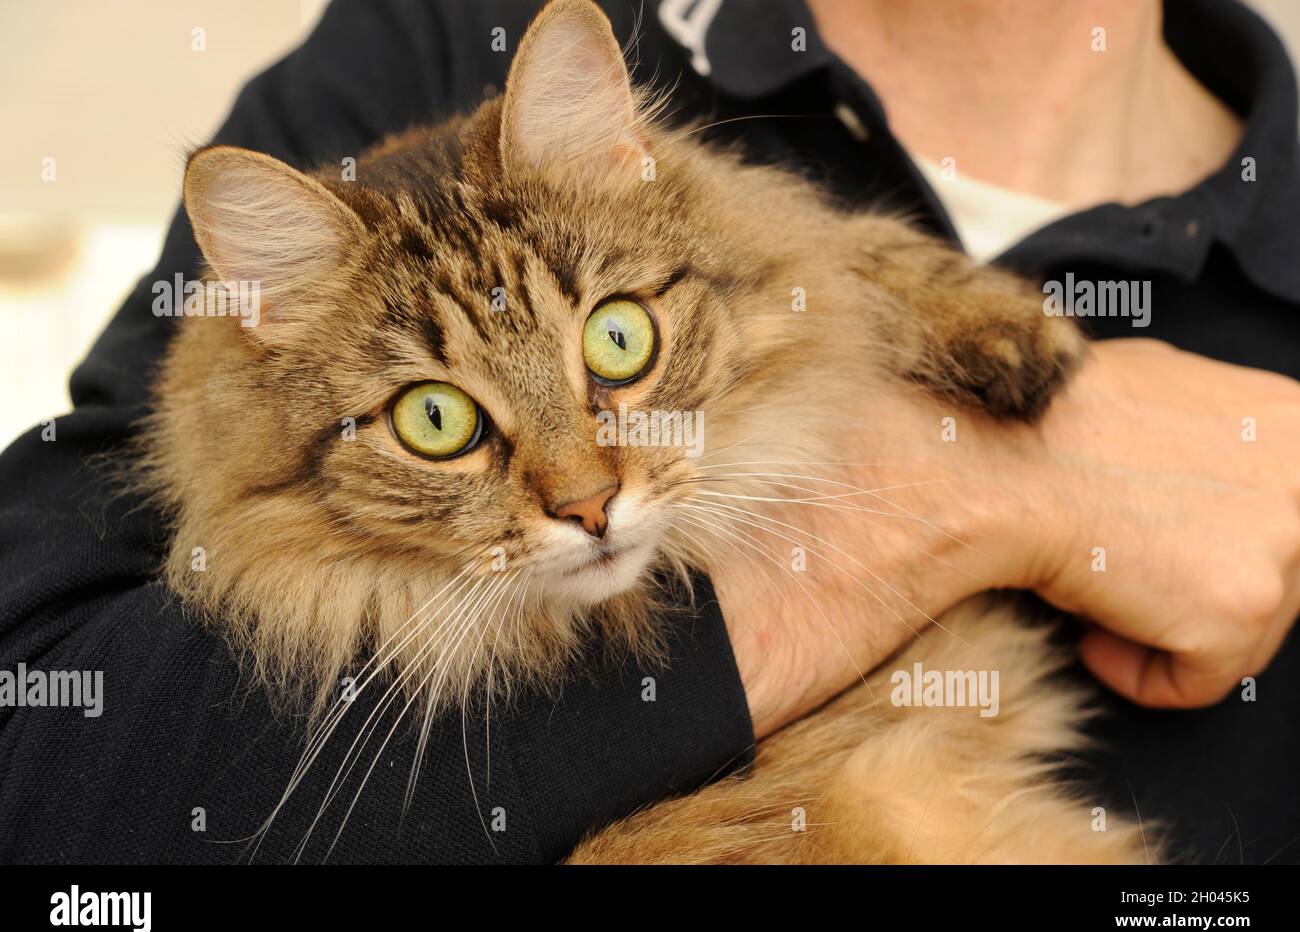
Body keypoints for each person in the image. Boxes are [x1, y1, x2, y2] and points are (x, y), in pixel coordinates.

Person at [0, 0, 1295, 863]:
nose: (580, 488)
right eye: (443, 418)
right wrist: (975, 492)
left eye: (614, 348)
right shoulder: (425, 45)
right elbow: (45, 774)